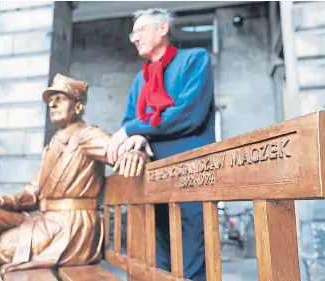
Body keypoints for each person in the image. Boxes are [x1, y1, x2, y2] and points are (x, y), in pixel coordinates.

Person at [0, 74, 148, 281]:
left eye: (61, 98)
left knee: (1, 247)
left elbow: (118, 149)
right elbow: (32, 194)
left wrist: (132, 152)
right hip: (45, 219)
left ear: (78, 106)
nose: (53, 104)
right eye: (51, 100)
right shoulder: (53, 145)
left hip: (71, 226)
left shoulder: (87, 135)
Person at [105, 8, 216, 281]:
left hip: (191, 174)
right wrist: (137, 137)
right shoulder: (139, 80)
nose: (134, 38)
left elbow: (189, 114)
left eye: (140, 30)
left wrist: (135, 130)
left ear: (163, 28)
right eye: (133, 33)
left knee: (194, 260)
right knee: (157, 262)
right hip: (150, 179)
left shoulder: (195, 59)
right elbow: (130, 123)